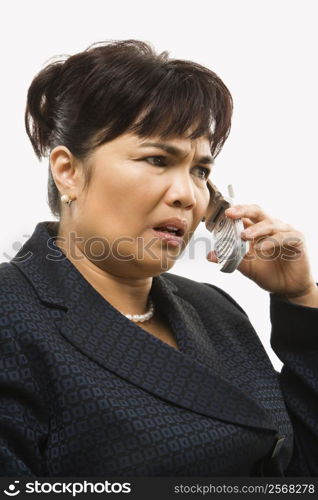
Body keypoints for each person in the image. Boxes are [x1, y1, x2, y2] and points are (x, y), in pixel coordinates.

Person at [0, 39, 317, 477]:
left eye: (200, 171)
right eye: (156, 159)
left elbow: (299, 474)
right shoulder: (11, 309)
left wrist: (300, 297)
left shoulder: (216, 312)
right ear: (68, 171)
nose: (187, 195)